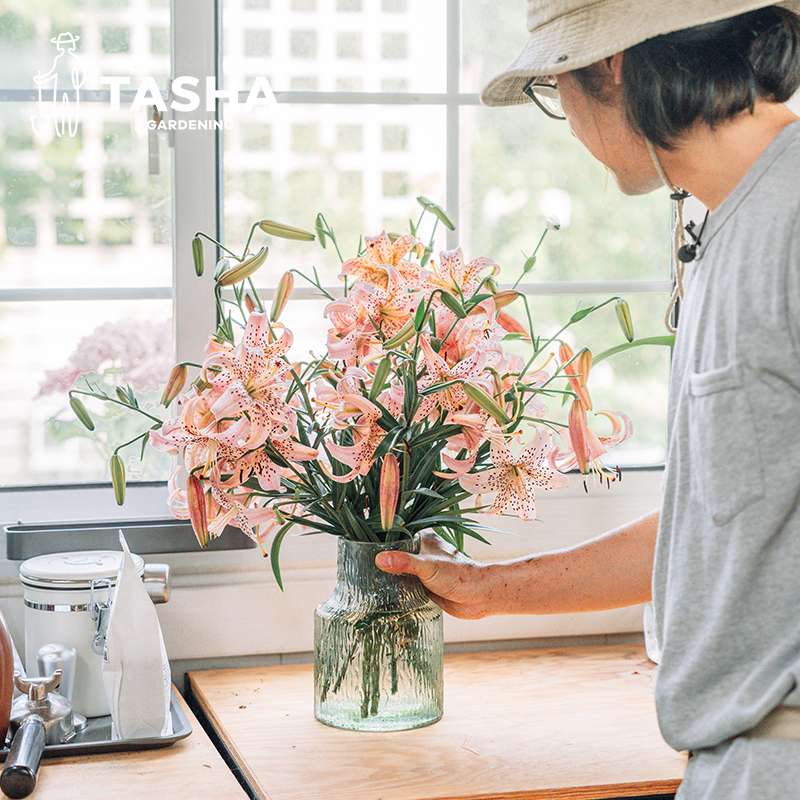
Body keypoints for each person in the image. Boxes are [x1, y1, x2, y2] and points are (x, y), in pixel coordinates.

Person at [376, 2, 800, 797]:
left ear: (612, 66)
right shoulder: (723, 220)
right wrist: (491, 588)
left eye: (553, 86)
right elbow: (721, 525)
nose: (565, 120)